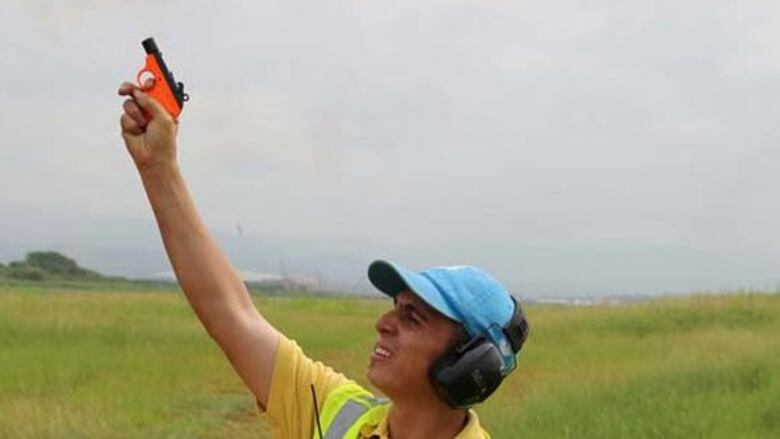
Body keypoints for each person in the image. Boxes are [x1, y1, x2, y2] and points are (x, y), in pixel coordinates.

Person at [117, 80, 529, 439]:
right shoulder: (334, 412)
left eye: (413, 318)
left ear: (470, 364)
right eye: (396, 309)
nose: (383, 324)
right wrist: (158, 168)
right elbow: (229, 312)